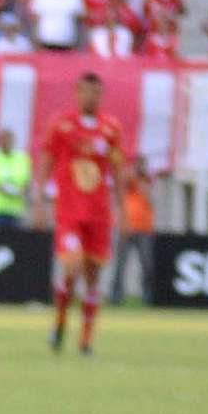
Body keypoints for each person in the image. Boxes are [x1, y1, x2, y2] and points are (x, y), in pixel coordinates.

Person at [34, 71, 126, 357]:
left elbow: (119, 169)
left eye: (95, 92)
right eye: (85, 91)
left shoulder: (111, 129)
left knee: (93, 277)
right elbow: (47, 160)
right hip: (70, 212)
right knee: (71, 268)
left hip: (99, 214)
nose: (90, 97)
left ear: (101, 95)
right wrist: (39, 200)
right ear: (77, 92)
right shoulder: (61, 126)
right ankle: (60, 322)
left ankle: (86, 342)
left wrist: (121, 209)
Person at [109, 154, 155, 304]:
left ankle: (148, 297)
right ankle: (116, 296)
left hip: (144, 228)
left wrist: (142, 179)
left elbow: (150, 198)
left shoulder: (147, 181)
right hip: (126, 226)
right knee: (120, 264)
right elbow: (121, 185)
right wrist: (132, 175)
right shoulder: (128, 178)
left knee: (147, 264)